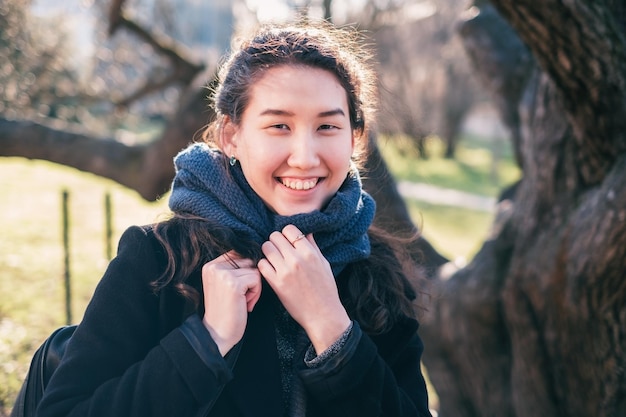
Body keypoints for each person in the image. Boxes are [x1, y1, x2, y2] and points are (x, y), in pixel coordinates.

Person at [37, 20, 432, 417]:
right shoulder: (158, 260)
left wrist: (332, 328)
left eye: (327, 126)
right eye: (279, 126)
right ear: (231, 136)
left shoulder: (377, 270)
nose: (305, 156)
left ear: (354, 139)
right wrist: (206, 342)